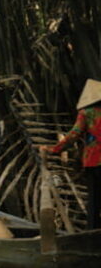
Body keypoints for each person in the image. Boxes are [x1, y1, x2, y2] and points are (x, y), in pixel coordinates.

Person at [40, 79, 101, 230]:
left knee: (94, 199)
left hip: (94, 160)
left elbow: (74, 134)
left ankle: (92, 232)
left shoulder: (86, 113)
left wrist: (55, 149)